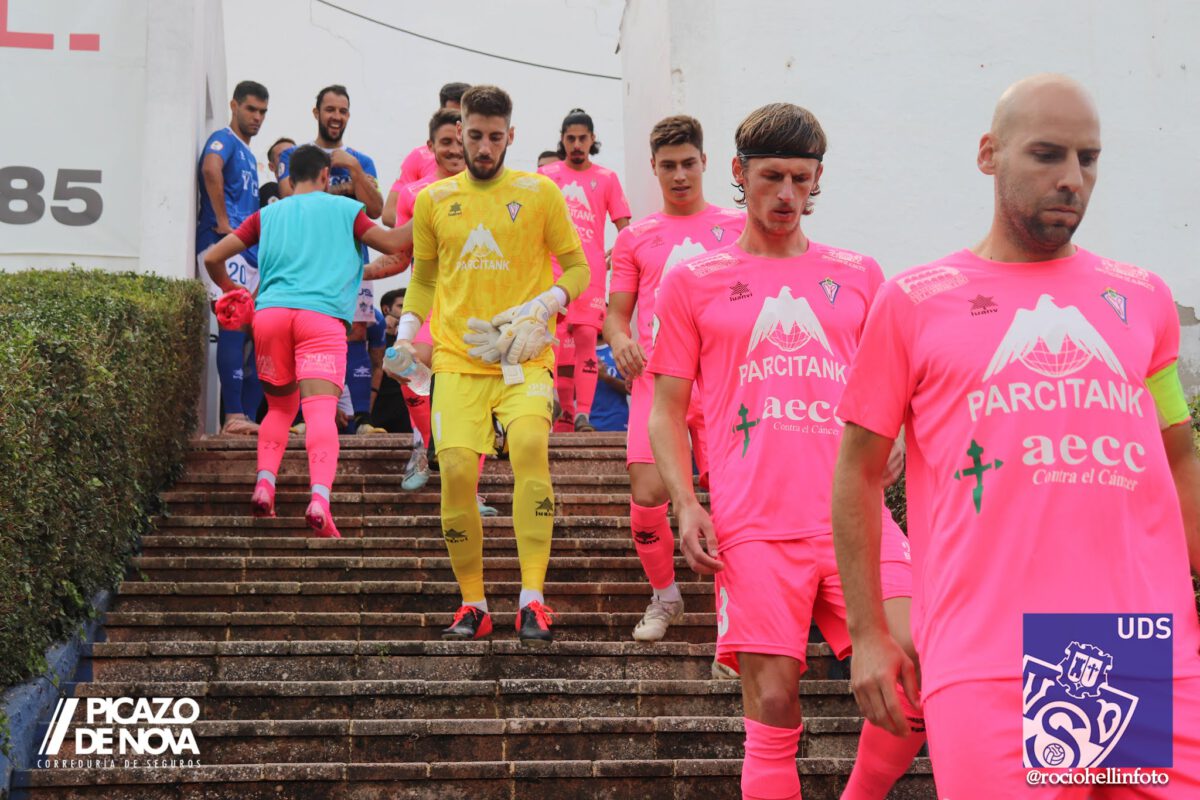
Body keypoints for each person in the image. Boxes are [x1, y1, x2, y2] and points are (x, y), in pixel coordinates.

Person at [833, 74, 1200, 798]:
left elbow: (1178, 452)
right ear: (988, 154)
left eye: (1087, 159)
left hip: (1139, 648)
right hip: (992, 652)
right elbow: (856, 471)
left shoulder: (1145, 301)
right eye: (1046, 154)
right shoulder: (914, 301)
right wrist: (870, 634)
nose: (1071, 179)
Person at [648, 103, 923, 800]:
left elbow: (895, 385)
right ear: (739, 173)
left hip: (855, 519)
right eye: (772, 177)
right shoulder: (693, 280)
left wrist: (896, 438)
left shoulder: (860, 273)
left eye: (802, 180)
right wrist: (685, 503)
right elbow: (667, 410)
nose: (786, 195)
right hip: (754, 526)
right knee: (773, 703)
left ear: (818, 180)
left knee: (918, 661)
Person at [394, 85, 588, 645]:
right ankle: (473, 604)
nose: (483, 147)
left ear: (511, 135)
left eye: (494, 137)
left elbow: (577, 268)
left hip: (524, 355)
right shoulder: (434, 200)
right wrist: (408, 335)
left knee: (529, 446)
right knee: (455, 472)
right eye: (473, 136)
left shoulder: (539, 192)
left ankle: (533, 598)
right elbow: (425, 278)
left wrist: (546, 303)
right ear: (457, 130)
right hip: (459, 356)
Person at [202, 145, 412, 539]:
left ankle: (265, 485)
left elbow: (214, 257)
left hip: (270, 318)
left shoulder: (268, 214)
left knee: (280, 410)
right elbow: (393, 241)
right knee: (319, 412)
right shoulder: (343, 210)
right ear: (324, 175)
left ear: (290, 177)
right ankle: (319, 499)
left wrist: (235, 292)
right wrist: (437, 210)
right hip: (321, 321)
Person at [605, 114, 746, 643]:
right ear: (654, 169)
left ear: (705, 163)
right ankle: (665, 594)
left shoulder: (737, 225)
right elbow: (617, 313)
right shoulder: (635, 237)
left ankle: (735, 617)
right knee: (646, 494)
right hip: (657, 382)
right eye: (669, 166)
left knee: (732, 499)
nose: (680, 175)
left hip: (724, 384)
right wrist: (620, 341)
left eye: (689, 163)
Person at [277, 85, 383, 436]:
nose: (336, 117)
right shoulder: (299, 156)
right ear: (316, 112)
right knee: (305, 336)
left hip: (352, 264)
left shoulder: (361, 161)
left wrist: (353, 169)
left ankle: (362, 421)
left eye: (343, 111)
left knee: (355, 334)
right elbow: (288, 200)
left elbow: (377, 209)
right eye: (330, 110)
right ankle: (303, 417)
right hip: (309, 264)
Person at [539, 109, 631, 432]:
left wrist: (620, 252)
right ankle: (553, 406)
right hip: (553, 273)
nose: (577, 144)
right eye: (570, 138)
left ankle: (583, 415)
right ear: (562, 140)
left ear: (592, 140)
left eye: (582, 138)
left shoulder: (606, 179)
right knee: (550, 340)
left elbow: (626, 228)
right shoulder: (547, 176)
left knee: (586, 341)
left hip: (591, 276)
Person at [197, 79, 270, 436]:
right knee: (233, 326)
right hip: (225, 249)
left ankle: (246, 416)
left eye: (262, 112)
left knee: (259, 334)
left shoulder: (247, 152)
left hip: (249, 254)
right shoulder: (224, 138)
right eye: (251, 109)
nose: (256, 117)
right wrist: (224, 223)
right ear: (234, 105)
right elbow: (210, 168)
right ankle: (234, 416)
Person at [588, 332, 629, 433]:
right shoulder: (582, 350)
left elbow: (632, 389)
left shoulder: (619, 350)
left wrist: (606, 378)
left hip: (617, 420)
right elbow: (571, 394)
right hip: (588, 422)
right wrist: (589, 375)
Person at [259, 136, 295, 207]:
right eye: (282, 156)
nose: (289, 158)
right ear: (271, 166)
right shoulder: (268, 190)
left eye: (293, 154)